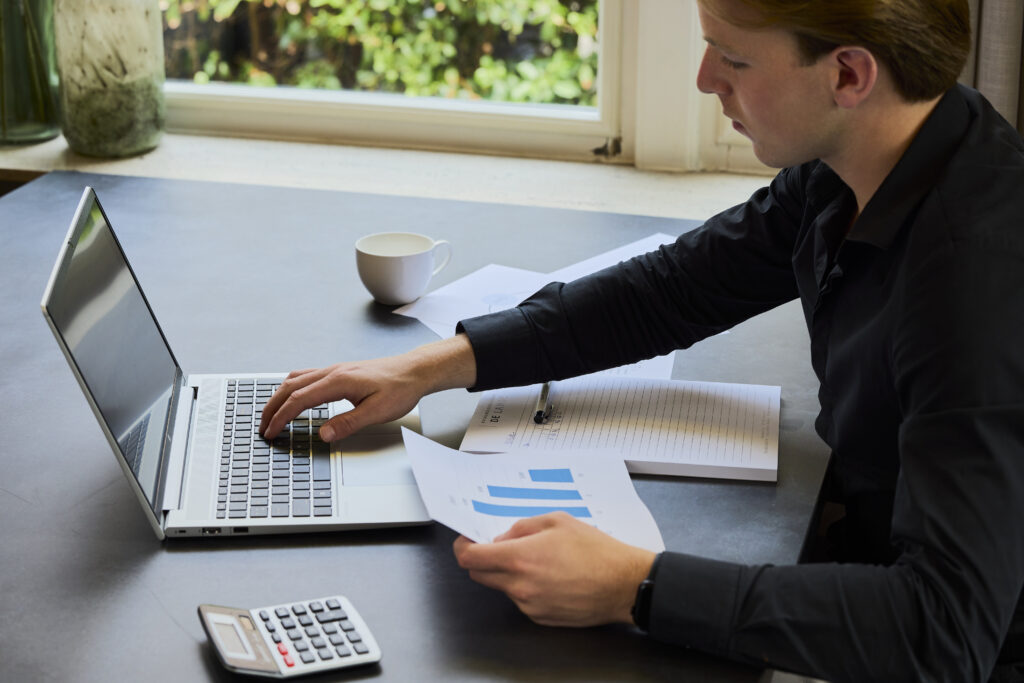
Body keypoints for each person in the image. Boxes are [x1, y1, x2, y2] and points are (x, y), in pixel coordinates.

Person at [260, 0, 1024, 680]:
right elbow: (675, 288)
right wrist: (434, 366)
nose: (703, 79)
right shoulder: (862, 162)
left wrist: (635, 585)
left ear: (849, 75)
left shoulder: (971, 283)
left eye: (731, 57)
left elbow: (946, 631)